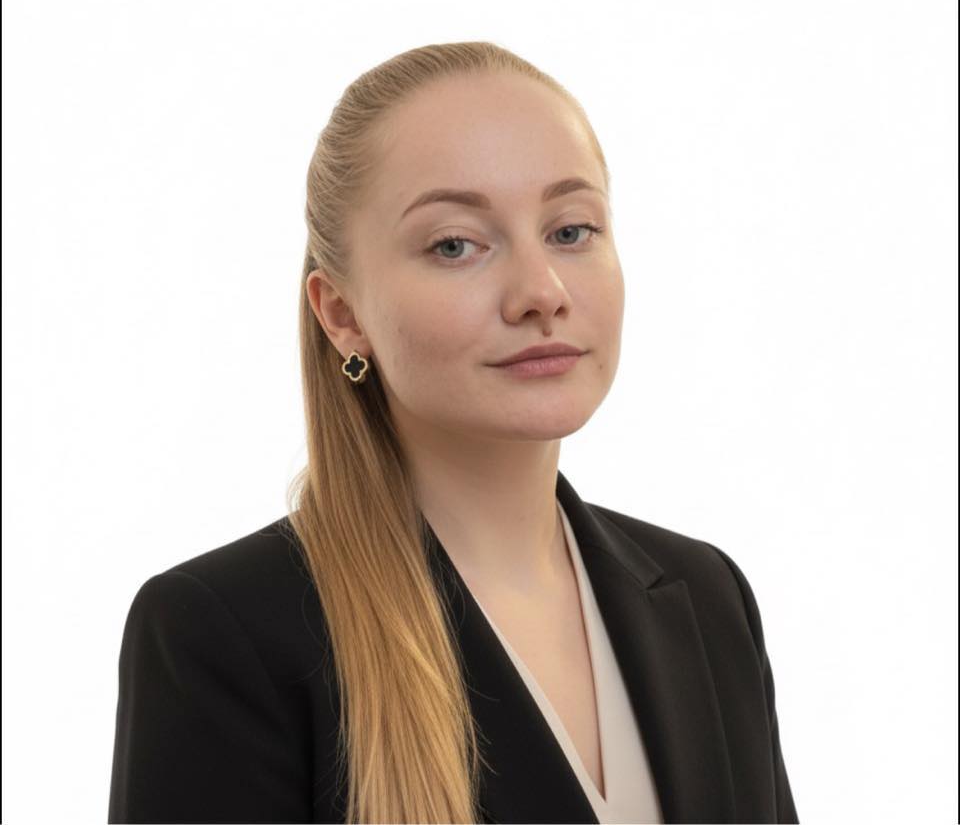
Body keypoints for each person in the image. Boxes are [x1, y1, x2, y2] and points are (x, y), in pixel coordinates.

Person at [107, 41, 799, 824]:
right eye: (455, 245)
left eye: (571, 231)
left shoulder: (707, 595)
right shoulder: (223, 634)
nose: (541, 292)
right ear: (342, 313)